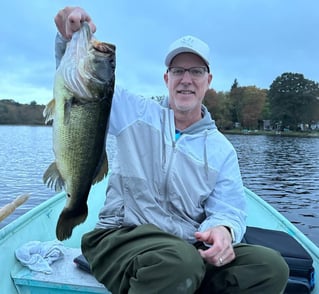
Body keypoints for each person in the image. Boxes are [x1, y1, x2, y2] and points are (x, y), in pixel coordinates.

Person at [55, 7, 289, 294]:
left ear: (208, 81)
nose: (186, 79)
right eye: (178, 71)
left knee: (270, 267)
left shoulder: (222, 150)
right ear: (167, 79)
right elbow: (82, 85)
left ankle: (176, 281)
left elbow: (229, 210)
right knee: (179, 262)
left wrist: (223, 231)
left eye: (196, 71)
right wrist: (70, 36)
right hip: (119, 236)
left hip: (186, 248)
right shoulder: (135, 113)